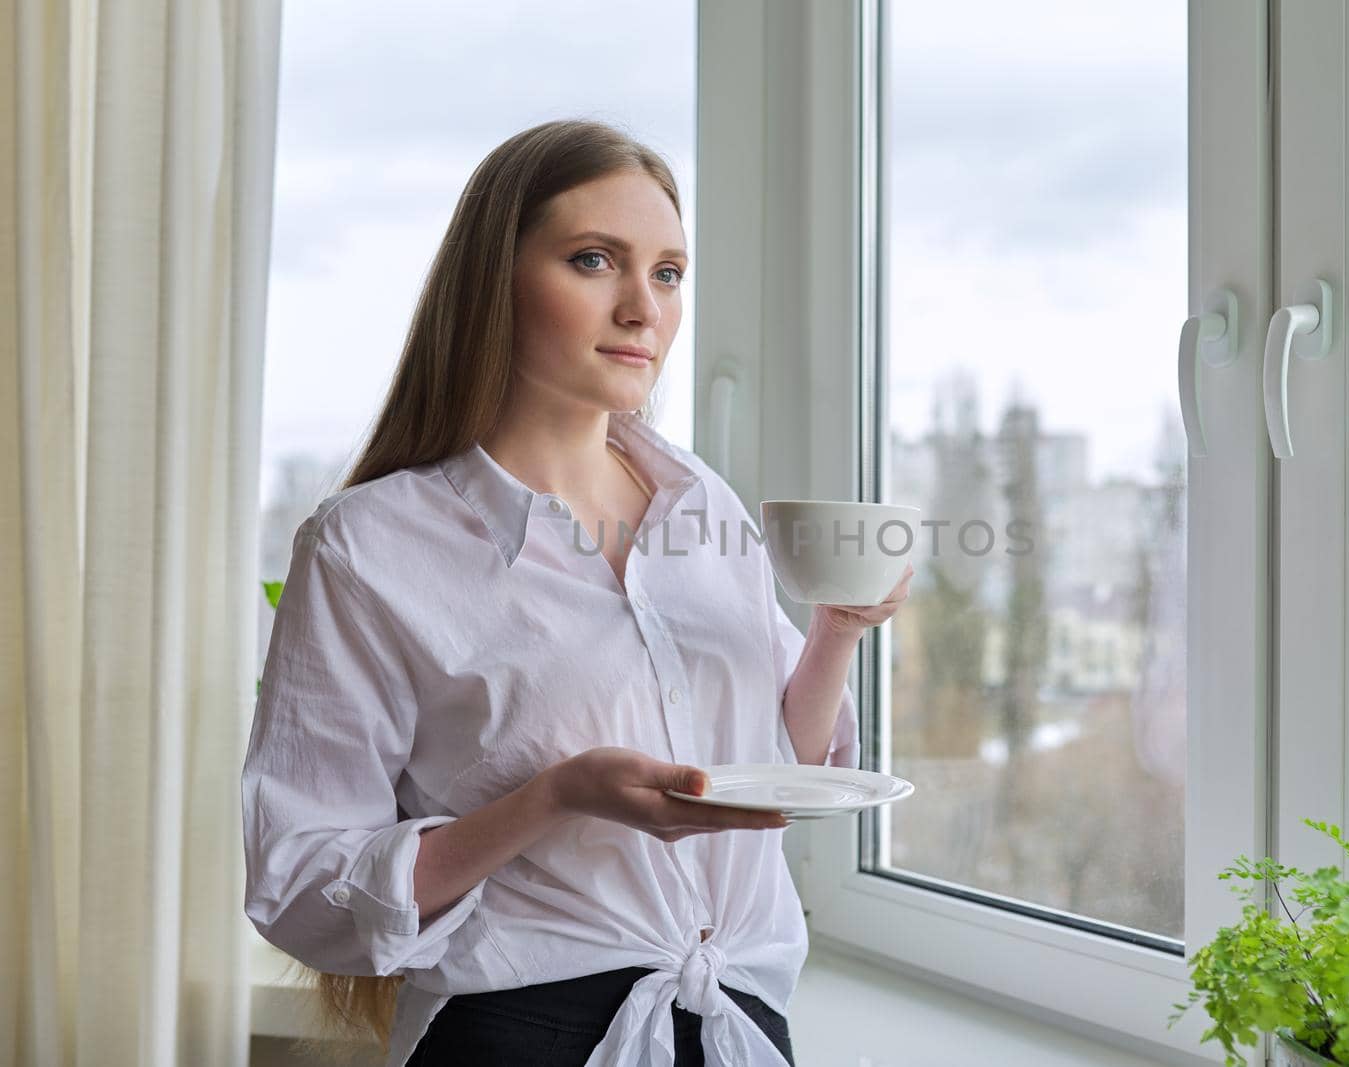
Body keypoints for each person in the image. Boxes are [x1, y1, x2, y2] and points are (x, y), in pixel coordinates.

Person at [241, 119, 913, 1067]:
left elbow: (777, 760)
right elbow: (303, 884)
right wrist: (556, 795)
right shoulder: (368, 547)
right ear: (495, 283)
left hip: (739, 1022)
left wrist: (837, 631)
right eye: (595, 260)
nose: (644, 308)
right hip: (520, 1034)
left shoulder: (700, 502)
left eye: (669, 272)